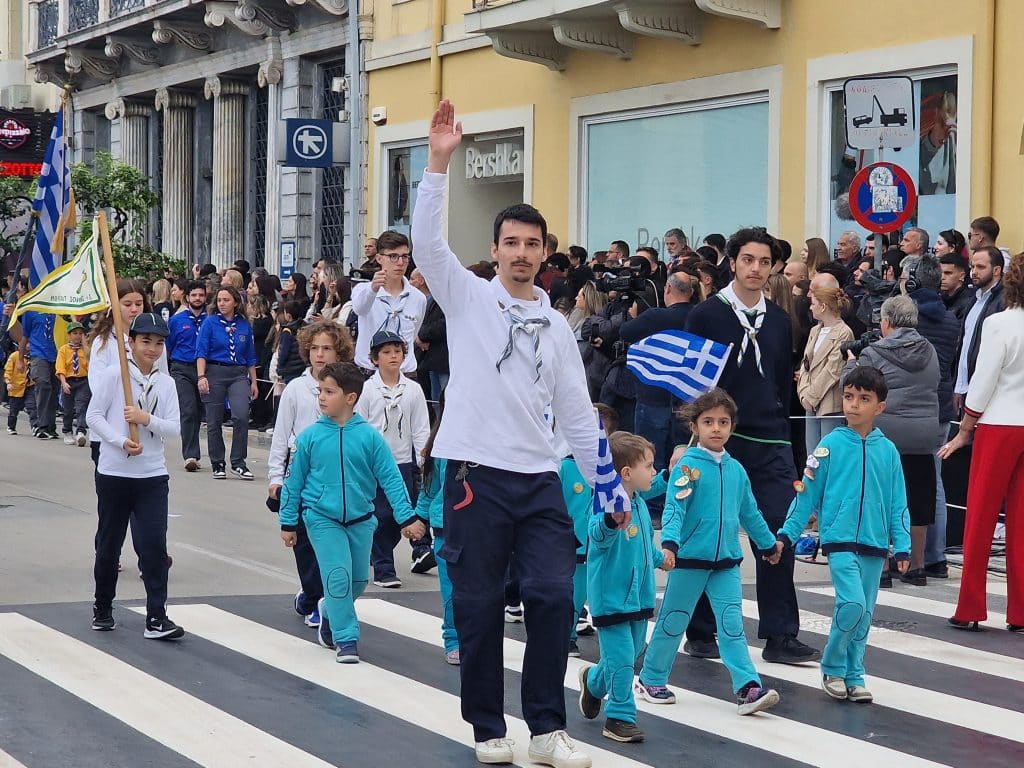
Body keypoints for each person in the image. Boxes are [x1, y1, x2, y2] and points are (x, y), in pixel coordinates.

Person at [412, 100, 601, 768]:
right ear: (495, 251)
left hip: (539, 479)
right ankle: (488, 726)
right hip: (473, 477)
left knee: (553, 595)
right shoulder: (466, 298)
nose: (522, 254)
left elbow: (578, 414)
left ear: (546, 254)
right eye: (511, 243)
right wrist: (439, 161)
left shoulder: (556, 328)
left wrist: (608, 487)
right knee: (481, 606)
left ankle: (547, 728)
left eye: (533, 244)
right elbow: (429, 245)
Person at [685, 227, 820, 664]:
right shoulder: (707, 314)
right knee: (710, 530)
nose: (756, 269)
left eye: (764, 262)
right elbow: (690, 385)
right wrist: (687, 441)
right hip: (718, 439)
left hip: (770, 440)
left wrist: (792, 451)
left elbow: (783, 385)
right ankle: (701, 630)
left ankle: (780, 634)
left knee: (779, 531)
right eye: (748, 260)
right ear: (733, 262)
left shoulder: (780, 320)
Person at [637, 389, 782, 715]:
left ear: (732, 426)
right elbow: (675, 508)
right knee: (673, 622)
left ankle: (747, 686)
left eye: (723, 421)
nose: (716, 428)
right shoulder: (687, 467)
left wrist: (768, 543)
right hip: (688, 560)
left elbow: (750, 513)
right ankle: (651, 677)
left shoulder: (736, 470)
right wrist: (670, 545)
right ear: (694, 428)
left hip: (726, 563)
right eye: (708, 422)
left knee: (732, 625)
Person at [777, 365, 911, 702]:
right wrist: (787, 535)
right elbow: (806, 494)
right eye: (849, 396)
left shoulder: (889, 451)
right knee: (851, 604)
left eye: (863, 399)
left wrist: (903, 545)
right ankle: (833, 666)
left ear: (879, 407)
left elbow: (898, 502)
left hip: (876, 543)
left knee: (864, 613)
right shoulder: (829, 445)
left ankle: (855, 673)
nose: (853, 404)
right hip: (839, 540)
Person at [279, 362, 426, 663]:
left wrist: (407, 517)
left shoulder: (370, 438)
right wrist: (288, 521)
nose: (321, 397)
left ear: (350, 398)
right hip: (321, 518)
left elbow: (391, 479)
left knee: (357, 580)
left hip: (361, 520)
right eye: (320, 391)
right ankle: (346, 640)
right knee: (337, 577)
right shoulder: (309, 438)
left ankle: (328, 610)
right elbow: (293, 482)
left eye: (329, 391)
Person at [940, 252, 1024, 632]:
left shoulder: (998, 324)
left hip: (999, 424)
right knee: (1021, 522)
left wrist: (965, 428)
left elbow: (984, 380)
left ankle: (971, 607)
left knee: (981, 517)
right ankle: (1021, 611)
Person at [87, 313, 184, 640]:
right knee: (109, 544)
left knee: (153, 545)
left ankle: (157, 616)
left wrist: (146, 419)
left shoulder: (166, 383)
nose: (152, 349)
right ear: (131, 343)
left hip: (152, 475)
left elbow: (174, 427)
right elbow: (94, 416)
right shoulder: (116, 376)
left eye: (158, 343)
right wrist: (117, 440)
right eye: (146, 342)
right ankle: (103, 607)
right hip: (114, 473)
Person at [577, 431, 670, 743]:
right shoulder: (608, 505)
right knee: (622, 659)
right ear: (627, 473)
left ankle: (592, 683)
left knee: (627, 656)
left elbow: (642, 545)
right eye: (649, 466)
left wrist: (659, 558)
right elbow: (597, 536)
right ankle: (619, 716)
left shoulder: (639, 502)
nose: (653, 473)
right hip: (612, 599)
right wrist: (610, 522)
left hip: (639, 597)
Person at [843, 295, 941, 586]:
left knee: (881, 497)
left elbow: (852, 387)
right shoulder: (930, 350)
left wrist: (850, 365)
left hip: (886, 434)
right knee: (919, 498)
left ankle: (883, 566)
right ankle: (916, 566)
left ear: (886, 322)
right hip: (924, 433)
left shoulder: (873, 353)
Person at [268, 322, 354, 628]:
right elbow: (281, 436)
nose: (320, 355)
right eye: (315, 348)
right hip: (301, 478)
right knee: (304, 544)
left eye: (327, 348)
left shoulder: (351, 388)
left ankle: (315, 596)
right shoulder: (296, 389)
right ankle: (314, 596)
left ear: (339, 351)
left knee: (332, 545)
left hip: (336, 478)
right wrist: (275, 478)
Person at [355, 330, 433, 587]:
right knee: (380, 514)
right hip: (374, 464)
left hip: (403, 462)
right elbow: (360, 426)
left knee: (404, 512)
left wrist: (424, 460)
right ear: (375, 358)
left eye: (397, 351)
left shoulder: (413, 389)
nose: (393, 357)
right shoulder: (367, 389)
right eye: (386, 352)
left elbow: (421, 427)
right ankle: (384, 567)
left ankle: (379, 552)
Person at [901, 255, 960, 579]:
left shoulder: (909, 317)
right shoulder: (951, 319)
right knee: (933, 482)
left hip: (910, 407)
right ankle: (936, 557)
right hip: (940, 407)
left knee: (903, 483)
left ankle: (906, 556)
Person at [619, 271, 694, 472]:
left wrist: (633, 316)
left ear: (668, 289)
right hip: (689, 399)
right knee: (682, 465)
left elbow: (624, 332)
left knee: (650, 462)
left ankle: (652, 503)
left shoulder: (656, 316)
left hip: (653, 397)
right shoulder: (700, 315)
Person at [561, 403, 618, 659]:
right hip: (571, 546)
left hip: (601, 545)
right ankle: (566, 636)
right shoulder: (565, 467)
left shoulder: (610, 472)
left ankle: (618, 641)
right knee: (572, 596)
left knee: (601, 594)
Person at [88, 279, 165, 465]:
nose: (134, 309)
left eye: (138, 304)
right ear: (115, 305)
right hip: (111, 431)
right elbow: (97, 386)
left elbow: (162, 380)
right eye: (127, 304)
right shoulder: (104, 342)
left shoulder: (155, 343)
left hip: (146, 429)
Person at [196, 286, 259, 481]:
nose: (222, 304)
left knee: (240, 415)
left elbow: (250, 356)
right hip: (214, 371)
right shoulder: (210, 323)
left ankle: (238, 462)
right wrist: (201, 376)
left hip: (238, 373)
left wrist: (254, 382)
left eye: (226, 300)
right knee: (214, 419)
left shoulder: (244, 325)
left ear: (235, 302)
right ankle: (217, 462)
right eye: (219, 300)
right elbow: (201, 351)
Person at [415, 408, 460, 664]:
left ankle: (476, 637)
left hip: (481, 526)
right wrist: (418, 518)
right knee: (451, 588)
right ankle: (453, 639)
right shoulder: (442, 446)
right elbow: (430, 489)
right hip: (445, 527)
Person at [352, 231, 427, 376]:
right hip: (370, 373)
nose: (400, 263)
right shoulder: (363, 290)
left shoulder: (418, 297)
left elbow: (413, 333)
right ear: (379, 258)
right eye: (393, 256)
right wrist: (373, 289)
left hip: (405, 373)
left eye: (404, 257)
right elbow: (360, 309)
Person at [797, 287, 854, 451]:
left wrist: (811, 397)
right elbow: (806, 363)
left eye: (813, 303)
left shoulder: (844, 332)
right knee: (811, 455)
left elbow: (833, 369)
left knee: (828, 454)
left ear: (823, 306)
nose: (810, 307)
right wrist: (803, 394)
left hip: (829, 403)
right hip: (809, 401)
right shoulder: (814, 330)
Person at [954, 247, 1005, 413]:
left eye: (981, 267)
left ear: (996, 270)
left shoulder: (1004, 301)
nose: (974, 272)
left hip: (988, 391)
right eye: (972, 267)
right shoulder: (974, 299)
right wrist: (959, 386)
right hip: (966, 388)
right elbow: (965, 345)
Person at [166, 281, 207, 470]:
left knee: (199, 411)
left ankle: (197, 453)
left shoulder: (211, 320)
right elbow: (169, 346)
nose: (197, 298)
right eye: (194, 295)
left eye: (201, 295)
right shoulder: (177, 320)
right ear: (187, 297)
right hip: (181, 368)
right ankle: (190, 455)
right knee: (188, 409)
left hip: (205, 370)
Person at [16, 309, 58, 439]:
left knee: (54, 390)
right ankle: (41, 425)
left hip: (57, 354)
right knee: (43, 384)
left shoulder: (59, 310)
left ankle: (51, 426)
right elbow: (25, 336)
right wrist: (20, 359)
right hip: (38, 354)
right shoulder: (31, 311)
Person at [55, 321, 91, 446]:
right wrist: (64, 382)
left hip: (83, 380)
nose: (77, 336)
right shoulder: (63, 350)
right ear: (69, 335)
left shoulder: (86, 350)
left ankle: (81, 431)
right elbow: (60, 368)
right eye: (75, 333)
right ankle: (67, 431)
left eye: (80, 333)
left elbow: (91, 365)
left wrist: (87, 347)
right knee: (68, 409)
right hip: (69, 380)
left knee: (81, 406)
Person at [274, 301, 307, 385]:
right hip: (302, 366)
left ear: (288, 316)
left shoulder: (287, 331)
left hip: (290, 369)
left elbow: (284, 353)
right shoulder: (304, 327)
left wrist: (279, 368)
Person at [938, 253, 973, 321]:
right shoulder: (939, 297)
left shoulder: (968, 303)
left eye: (948, 273)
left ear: (962, 276)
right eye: (940, 272)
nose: (942, 277)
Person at [4, 348, 30, 435]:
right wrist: (8, 382)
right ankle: (11, 427)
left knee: (33, 408)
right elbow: (8, 371)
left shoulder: (33, 356)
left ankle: (36, 427)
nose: (29, 345)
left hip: (29, 387)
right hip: (16, 388)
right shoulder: (15, 356)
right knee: (14, 411)